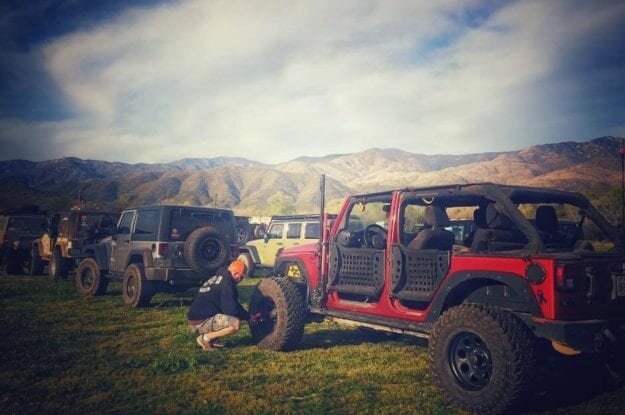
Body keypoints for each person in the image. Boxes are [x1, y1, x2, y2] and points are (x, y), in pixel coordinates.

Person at [187, 259, 261, 351]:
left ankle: (213, 339)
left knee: (226, 314)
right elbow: (232, 310)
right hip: (199, 322)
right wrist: (248, 317)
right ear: (235, 274)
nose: (241, 280)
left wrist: (248, 315)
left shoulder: (220, 276)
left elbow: (231, 304)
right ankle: (205, 338)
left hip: (196, 318)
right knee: (235, 323)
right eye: (241, 277)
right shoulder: (227, 284)